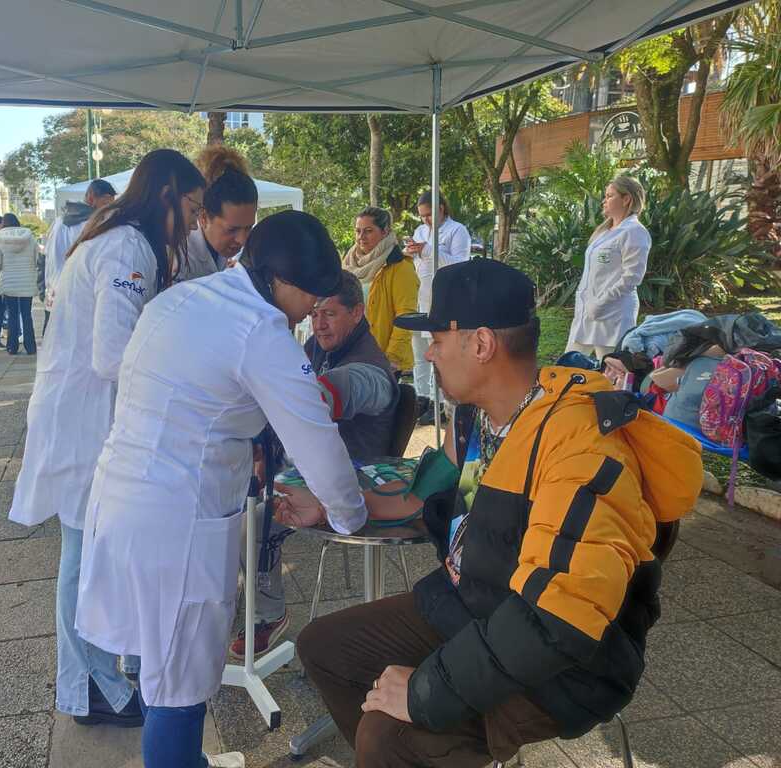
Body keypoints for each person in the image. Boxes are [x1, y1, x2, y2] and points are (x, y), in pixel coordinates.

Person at [296, 258, 704, 768]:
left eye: (439, 340)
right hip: (474, 604)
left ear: (481, 344)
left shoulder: (578, 447)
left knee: (390, 735)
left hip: (567, 665)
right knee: (322, 647)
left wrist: (424, 691)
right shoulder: (477, 421)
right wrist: (335, 504)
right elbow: (431, 500)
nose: (431, 354)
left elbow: (557, 621)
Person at [75, 211, 371, 768]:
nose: (313, 306)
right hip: (176, 520)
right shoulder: (259, 331)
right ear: (277, 280)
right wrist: (350, 516)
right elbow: (316, 440)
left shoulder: (186, 299)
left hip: (121, 498)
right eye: (308, 292)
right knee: (179, 685)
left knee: (160, 664)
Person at [8, 149, 206, 731]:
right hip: (86, 421)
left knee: (87, 554)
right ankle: (91, 686)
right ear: (167, 194)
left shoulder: (118, 240)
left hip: (82, 415)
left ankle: (92, 681)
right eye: (193, 208)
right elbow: (114, 353)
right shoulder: (126, 248)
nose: (195, 223)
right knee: (84, 557)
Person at [229, 269, 398, 660]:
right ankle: (235, 595)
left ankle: (268, 613)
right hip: (306, 473)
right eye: (316, 313)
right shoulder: (318, 350)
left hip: (356, 485)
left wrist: (305, 394)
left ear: (358, 313)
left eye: (331, 314)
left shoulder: (370, 367)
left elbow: (338, 390)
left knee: (250, 521)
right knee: (224, 490)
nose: (318, 323)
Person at [405, 190, 471, 427]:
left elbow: (460, 265)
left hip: (445, 301)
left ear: (442, 207)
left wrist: (428, 250)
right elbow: (419, 265)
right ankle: (421, 399)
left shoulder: (457, 231)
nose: (426, 220)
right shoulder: (421, 231)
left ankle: (440, 403)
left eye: (430, 214)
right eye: (422, 216)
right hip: (420, 297)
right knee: (419, 354)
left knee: (440, 355)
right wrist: (414, 251)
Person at [566, 175, 651, 360]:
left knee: (610, 373)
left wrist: (601, 303)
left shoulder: (634, 232)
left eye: (609, 196)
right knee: (567, 367)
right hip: (586, 314)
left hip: (612, 315)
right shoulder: (604, 231)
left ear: (626, 199)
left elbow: (632, 277)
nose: (604, 201)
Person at [343, 206, 419, 375]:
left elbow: (406, 317)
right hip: (349, 354)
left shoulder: (401, 268)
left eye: (368, 231)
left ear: (385, 231)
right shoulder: (347, 263)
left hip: (382, 360)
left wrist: (392, 358)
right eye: (358, 231)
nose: (361, 237)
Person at [176, 145, 257, 282]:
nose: (242, 240)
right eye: (232, 230)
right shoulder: (178, 259)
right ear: (203, 217)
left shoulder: (221, 252)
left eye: (248, 228)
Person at [44, 178, 116, 322]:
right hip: (77, 298)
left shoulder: (58, 222)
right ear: (91, 197)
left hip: (53, 295)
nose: (110, 206)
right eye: (107, 201)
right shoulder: (92, 225)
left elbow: (45, 257)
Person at [0, 213, 39, 355]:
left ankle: (12, 346)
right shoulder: (30, 238)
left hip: (8, 282)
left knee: (12, 314)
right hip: (27, 282)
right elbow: (37, 260)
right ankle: (31, 347)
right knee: (26, 314)